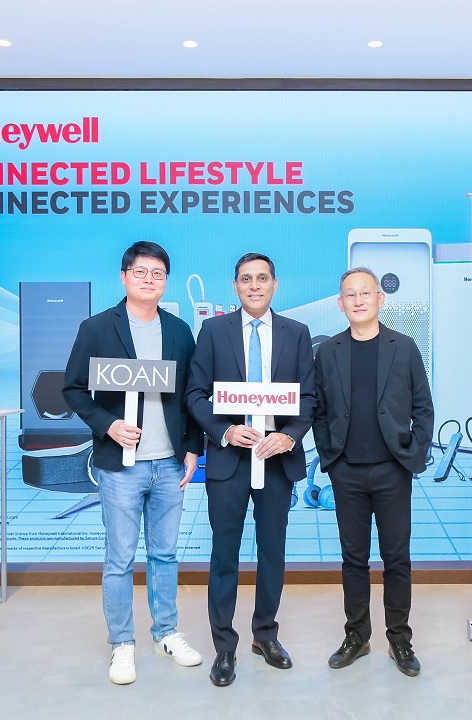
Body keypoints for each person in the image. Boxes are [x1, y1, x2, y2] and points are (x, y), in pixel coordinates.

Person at [62, 241, 205, 685]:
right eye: (140, 272)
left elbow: (192, 395)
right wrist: (108, 425)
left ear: (166, 281)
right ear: (124, 277)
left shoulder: (179, 330)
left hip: (169, 464)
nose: (149, 280)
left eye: (158, 273)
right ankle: (122, 643)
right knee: (120, 559)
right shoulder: (97, 327)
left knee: (165, 554)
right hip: (119, 467)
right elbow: (73, 389)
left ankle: (166, 633)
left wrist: (193, 448)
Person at [186, 252, 316, 687]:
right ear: (235, 286)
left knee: (272, 552)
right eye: (246, 279)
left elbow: (309, 398)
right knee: (224, 554)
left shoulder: (297, 333)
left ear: (275, 284)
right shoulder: (213, 331)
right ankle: (224, 646)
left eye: (262, 278)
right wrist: (224, 431)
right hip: (229, 461)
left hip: (276, 461)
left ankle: (266, 635)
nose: (254, 285)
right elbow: (195, 394)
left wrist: (289, 436)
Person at [311, 266, 434, 677]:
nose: (358, 300)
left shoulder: (405, 347)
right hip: (346, 471)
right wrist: (330, 458)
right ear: (340, 304)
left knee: (396, 558)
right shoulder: (329, 351)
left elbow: (423, 408)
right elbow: (319, 411)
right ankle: (357, 636)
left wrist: (412, 456)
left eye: (366, 292)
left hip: (392, 471)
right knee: (353, 559)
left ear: (380, 299)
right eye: (350, 294)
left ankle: (400, 639)